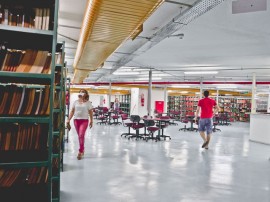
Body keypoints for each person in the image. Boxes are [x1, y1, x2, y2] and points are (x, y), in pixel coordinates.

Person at [67, 89, 93, 160]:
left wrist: (91, 121)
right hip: (76, 121)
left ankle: (80, 151)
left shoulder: (88, 103)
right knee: (80, 136)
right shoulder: (75, 102)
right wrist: (68, 120)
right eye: (81, 91)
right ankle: (82, 148)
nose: (82, 93)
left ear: (85, 94)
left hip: (84, 121)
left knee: (81, 135)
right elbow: (72, 111)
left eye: (83, 92)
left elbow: (91, 112)